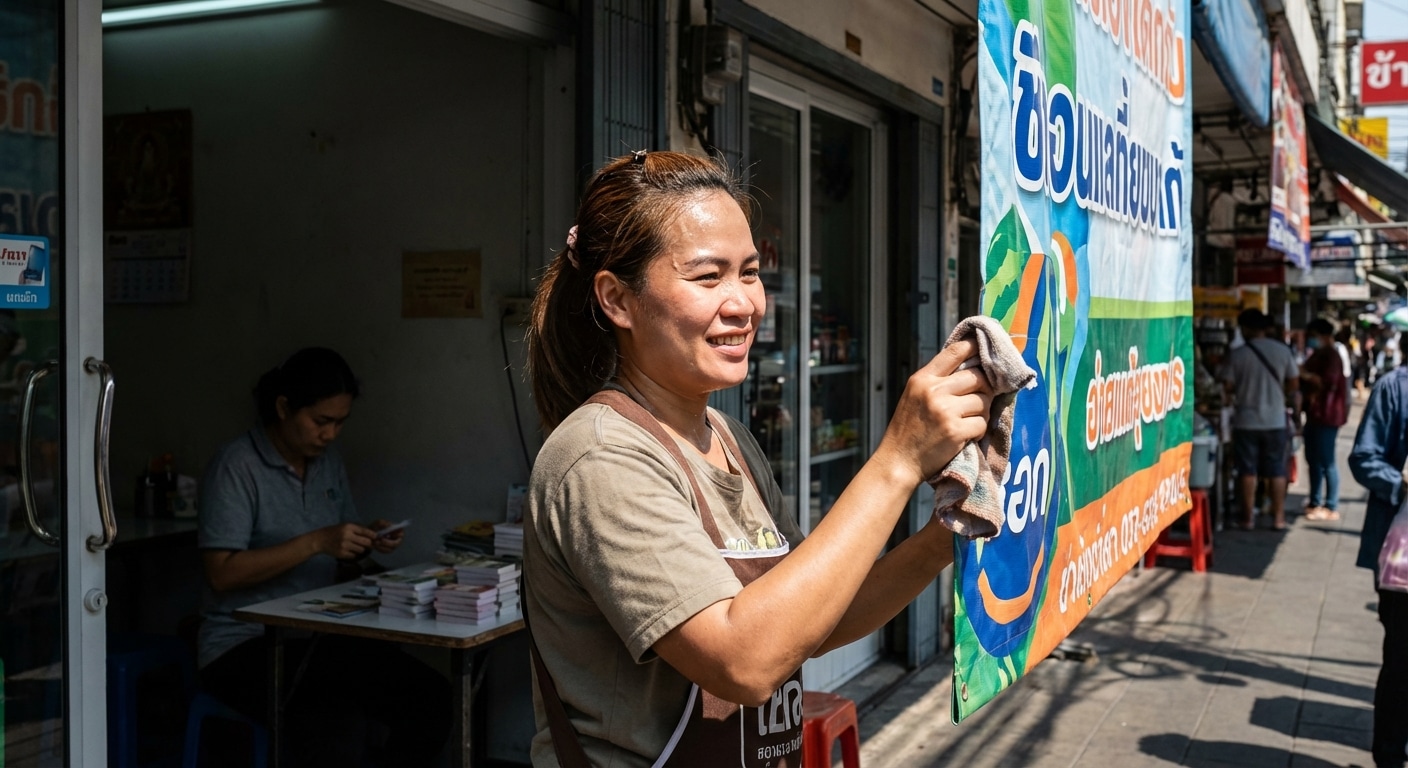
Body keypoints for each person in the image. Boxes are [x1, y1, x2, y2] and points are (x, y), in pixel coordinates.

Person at [523, 151, 994, 767]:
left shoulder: (729, 437)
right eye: (706, 276)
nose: (744, 303)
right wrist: (898, 460)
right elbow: (743, 662)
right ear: (617, 299)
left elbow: (816, 619)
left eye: (749, 272)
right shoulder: (601, 458)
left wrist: (947, 533)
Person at [197, 347, 450, 768]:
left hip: (316, 637)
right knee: (335, 718)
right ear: (283, 407)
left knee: (432, 696)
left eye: (339, 423)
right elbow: (221, 573)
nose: (330, 434)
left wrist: (364, 541)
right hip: (242, 647)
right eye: (320, 422)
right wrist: (316, 542)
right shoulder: (236, 466)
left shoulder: (326, 463)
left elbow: (339, 554)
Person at [1348, 366, 1408, 768]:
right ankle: (1389, 758)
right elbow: (1363, 457)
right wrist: (1402, 482)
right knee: (1402, 664)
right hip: (1402, 557)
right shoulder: (1394, 388)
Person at [1221, 309, 1299, 531]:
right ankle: (1279, 518)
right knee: (1276, 469)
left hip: (1246, 421)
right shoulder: (1282, 351)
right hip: (1275, 421)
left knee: (1247, 471)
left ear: (1245, 329)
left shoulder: (1237, 354)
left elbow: (1226, 386)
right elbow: (1294, 384)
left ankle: (1247, 519)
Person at [1299, 319, 1347, 522]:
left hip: (1326, 416)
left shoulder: (1332, 356)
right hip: (1316, 414)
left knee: (1327, 461)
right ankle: (1315, 501)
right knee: (1314, 460)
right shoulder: (1320, 354)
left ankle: (1331, 505)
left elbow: (1327, 382)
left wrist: (1306, 376)